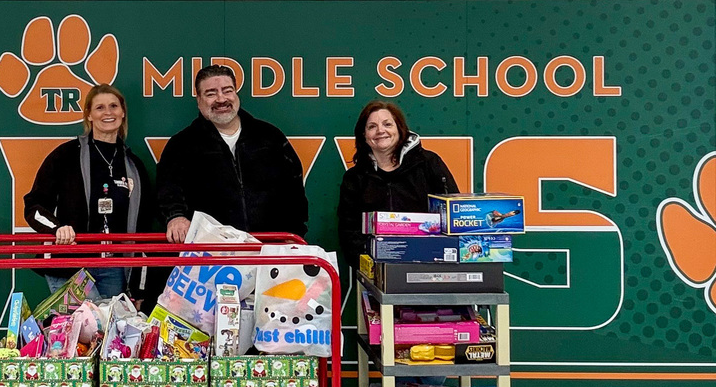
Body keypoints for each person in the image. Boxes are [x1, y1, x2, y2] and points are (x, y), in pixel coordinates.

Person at [23, 84, 154, 298]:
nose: (108, 112)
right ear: (89, 115)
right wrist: (57, 229)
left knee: (110, 330)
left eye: (113, 106)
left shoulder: (133, 165)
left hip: (115, 269)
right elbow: (34, 206)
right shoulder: (66, 155)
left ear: (122, 113)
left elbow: (143, 229)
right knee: (85, 327)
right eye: (100, 107)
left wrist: (139, 289)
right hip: (71, 264)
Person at [157, 64, 308, 242]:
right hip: (209, 255)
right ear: (198, 100)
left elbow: (293, 192)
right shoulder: (181, 145)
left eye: (227, 91)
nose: (221, 99)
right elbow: (168, 189)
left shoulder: (270, 137)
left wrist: (293, 234)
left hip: (269, 249)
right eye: (211, 93)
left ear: (236, 94)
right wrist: (176, 216)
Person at [337, 100, 459, 273]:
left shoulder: (429, 163)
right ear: (363, 135)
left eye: (387, 124)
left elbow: (452, 213)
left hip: (431, 266)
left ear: (400, 129)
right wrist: (367, 264)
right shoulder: (354, 178)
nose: (380, 131)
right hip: (376, 271)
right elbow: (348, 231)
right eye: (372, 126)